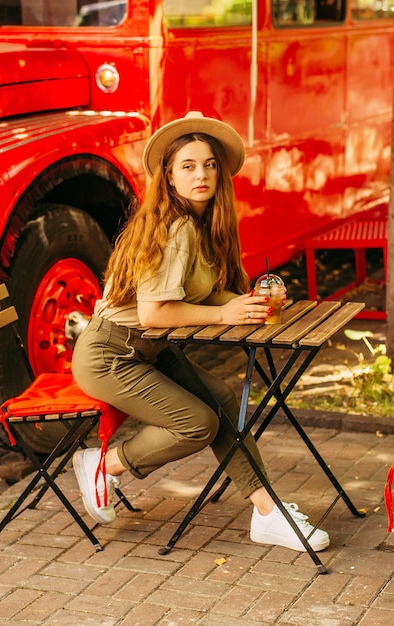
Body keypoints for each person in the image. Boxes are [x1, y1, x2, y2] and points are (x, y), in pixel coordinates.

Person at [71, 111, 330, 553]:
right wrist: (225, 315)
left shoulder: (200, 223)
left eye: (209, 164)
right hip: (110, 354)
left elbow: (197, 293)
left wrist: (241, 304)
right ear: (169, 176)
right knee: (197, 423)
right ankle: (105, 464)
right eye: (188, 166)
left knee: (225, 401)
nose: (202, 174)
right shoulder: (175, 227)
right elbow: (153, 313)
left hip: (146, 351)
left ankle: (267, 513)